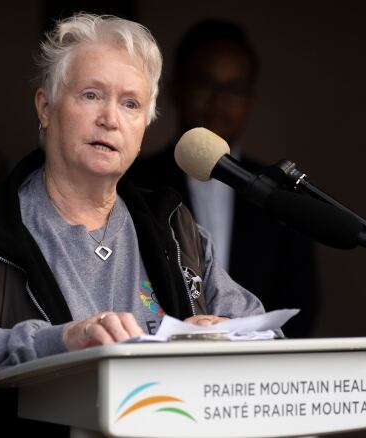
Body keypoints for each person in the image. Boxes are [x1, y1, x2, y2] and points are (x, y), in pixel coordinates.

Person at [0, 13, 268, 436]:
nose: (110, 118)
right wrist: (58, 343)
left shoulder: (172, 224)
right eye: (92, 95)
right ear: (45, 107)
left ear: (144, 127)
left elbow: (257, 328)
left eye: (130, 104)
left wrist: (224, 336)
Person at [128, 19, 320, 338]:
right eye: (205, 83)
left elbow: (302, 300)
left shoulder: (282, 193)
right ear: (176, 88)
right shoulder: (135, 181)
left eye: (235, 88)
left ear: (250, 98)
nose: (219, 100)